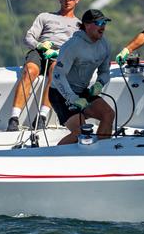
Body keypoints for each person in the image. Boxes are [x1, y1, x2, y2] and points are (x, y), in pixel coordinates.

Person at [6, 0, 82, 131]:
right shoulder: (45, 16)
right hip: (40, 51)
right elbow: (28, 37)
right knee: (29, 70)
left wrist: (59, 53)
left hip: (60, 54)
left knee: (55, 72)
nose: (67, 0)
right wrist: (39, 45)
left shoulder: (79, 25)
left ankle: (42, 117)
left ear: (77, 0)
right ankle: (14, 118)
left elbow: (77, 49)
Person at [49, 9, 115, 145]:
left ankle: (102, 152)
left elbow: (104, 71)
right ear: (86, 25)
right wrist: (72, 98)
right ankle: (54, 156)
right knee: (81, 132)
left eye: (104, 23)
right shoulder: (72, 46)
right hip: (61, 94)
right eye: (99, 23)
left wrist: (99, 84)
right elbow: (57, 75)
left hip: (82, 91)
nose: (103, 26)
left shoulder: (105, 45)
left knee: (108, 114)